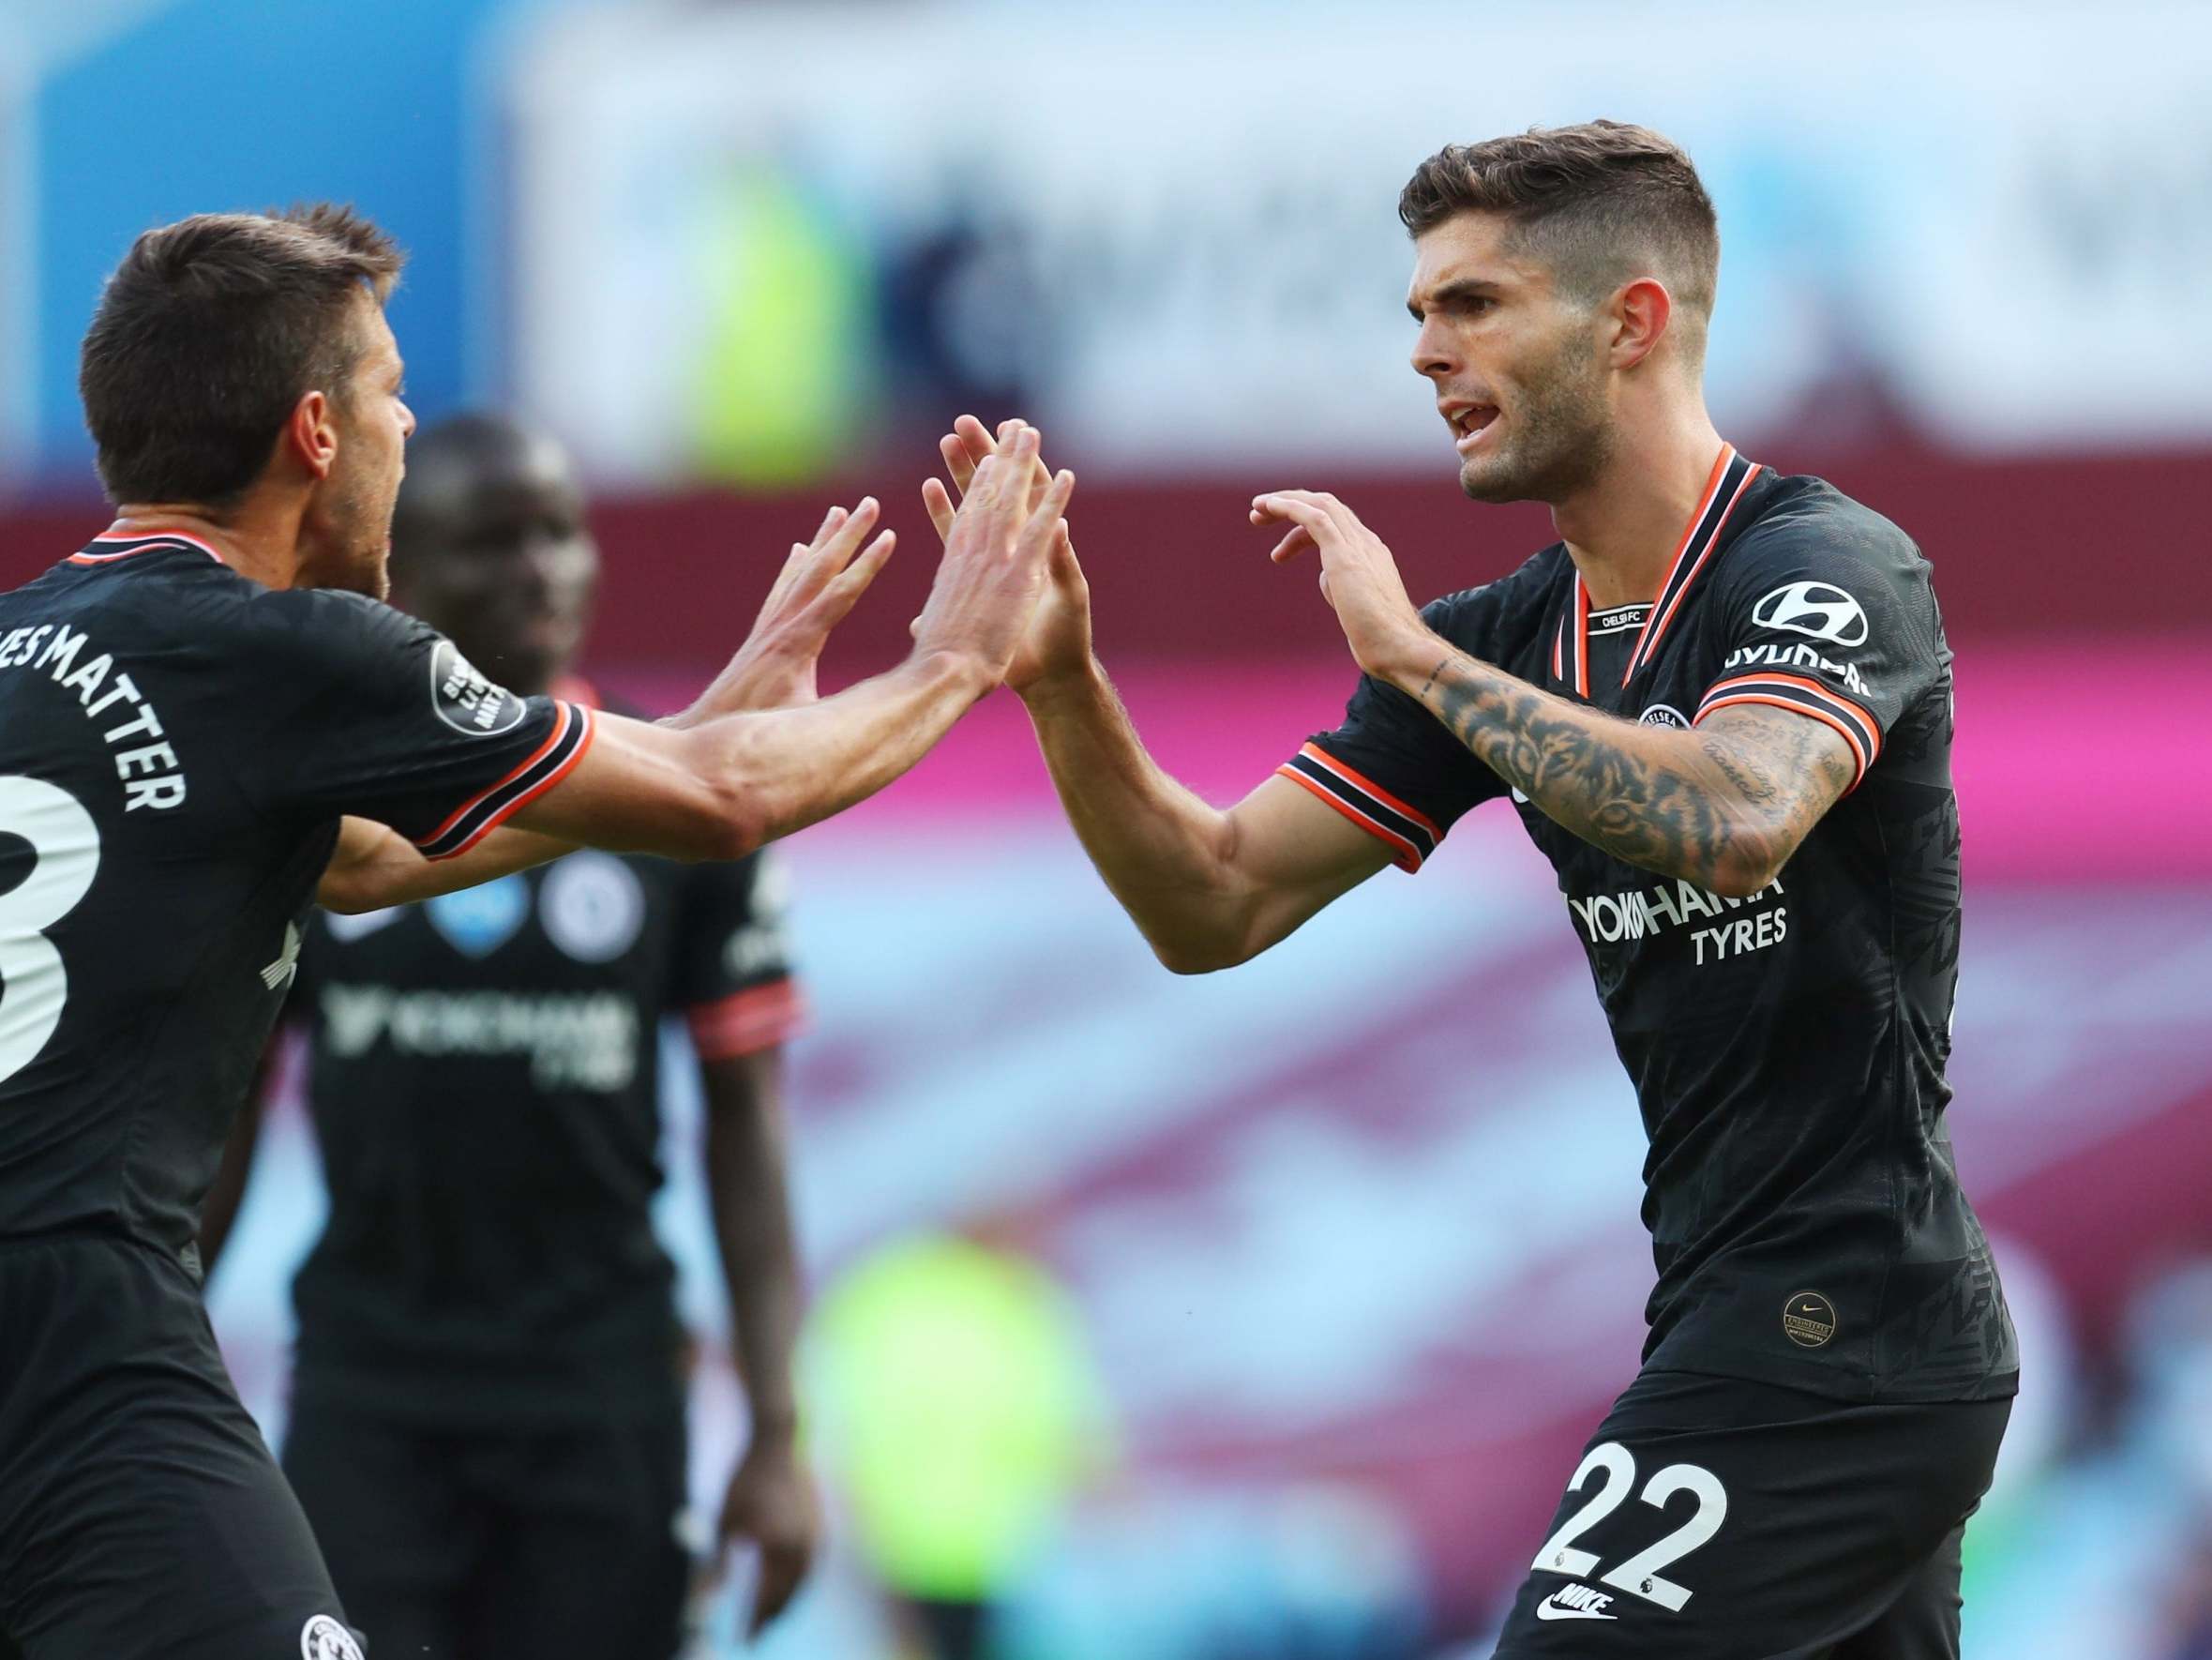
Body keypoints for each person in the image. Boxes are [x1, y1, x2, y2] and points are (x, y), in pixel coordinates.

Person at [926, 122, 2014, 1659]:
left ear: (1630, 321)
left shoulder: (1823, 563)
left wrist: (1418, 663)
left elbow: (1746, 810)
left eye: (1475, 304)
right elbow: (1212, 902)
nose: (1428, 352)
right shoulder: (1504, 637)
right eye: (1421, 312)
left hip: (1845, 1326)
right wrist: (1060, 683)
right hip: (1737, 1306)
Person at [0, 204, 1069, 1660]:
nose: (404, 423)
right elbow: (731, 800)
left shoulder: (26, 645)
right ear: (316, 432)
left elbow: (366, 865)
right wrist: (959, 656)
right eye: (389, 394)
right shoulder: (284, 649)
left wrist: (694, 727)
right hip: (88, 1348)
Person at [197, 414, 819, 1658]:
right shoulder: (322, 810)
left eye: (560, 533)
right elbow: (226, 1118)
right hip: (371, 1393)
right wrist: (128, 1374)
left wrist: (777, 1430)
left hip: (602, 1393)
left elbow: (745, 1125)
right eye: (492, 542)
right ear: (401, 577)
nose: (540, 568)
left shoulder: (680, 798)